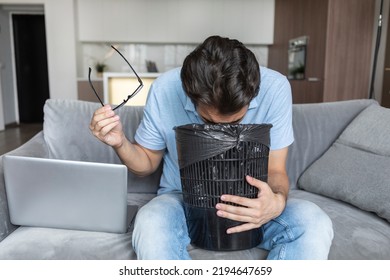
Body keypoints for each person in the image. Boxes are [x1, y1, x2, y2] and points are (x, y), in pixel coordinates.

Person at [90, 35, 334, 260]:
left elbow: (275, 170)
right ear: (189, 94)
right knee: (150, 222)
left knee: (314, 222)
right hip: (182, 199)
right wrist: (120, 143)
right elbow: (146, 162)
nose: (221, 133)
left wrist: (277, 201)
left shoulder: (276, 87)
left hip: (251, 202)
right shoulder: (165, 88)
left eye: (236, 122)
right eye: (208, 122)